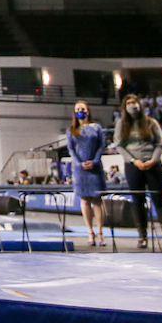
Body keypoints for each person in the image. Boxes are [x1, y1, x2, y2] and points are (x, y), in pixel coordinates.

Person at [114, 93, 162, 249]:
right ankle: (142, 236)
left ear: (140, 105)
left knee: (159, 200)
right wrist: (134, 161)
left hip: (153, 164)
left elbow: (160, 143)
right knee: (138, 201)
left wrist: (153, 160)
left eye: (134, 102)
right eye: (128, 103)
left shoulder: (151, 122)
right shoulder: (122, 124)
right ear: (124, 107)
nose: (132, 105)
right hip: (133, 165)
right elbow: (119, 145)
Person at [66, 101, 106, 246]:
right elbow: (71, 150)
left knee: (97, 200)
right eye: (77, 109)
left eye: (83, 109)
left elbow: (102, 146)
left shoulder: (97, 128)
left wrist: (94, 161)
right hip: (80, 169)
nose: (80, 111)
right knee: (85, 200)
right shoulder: (71, 130)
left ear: (88, 111)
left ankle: (100, 232)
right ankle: (90, 232)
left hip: (94, 167)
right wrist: (79, 163)